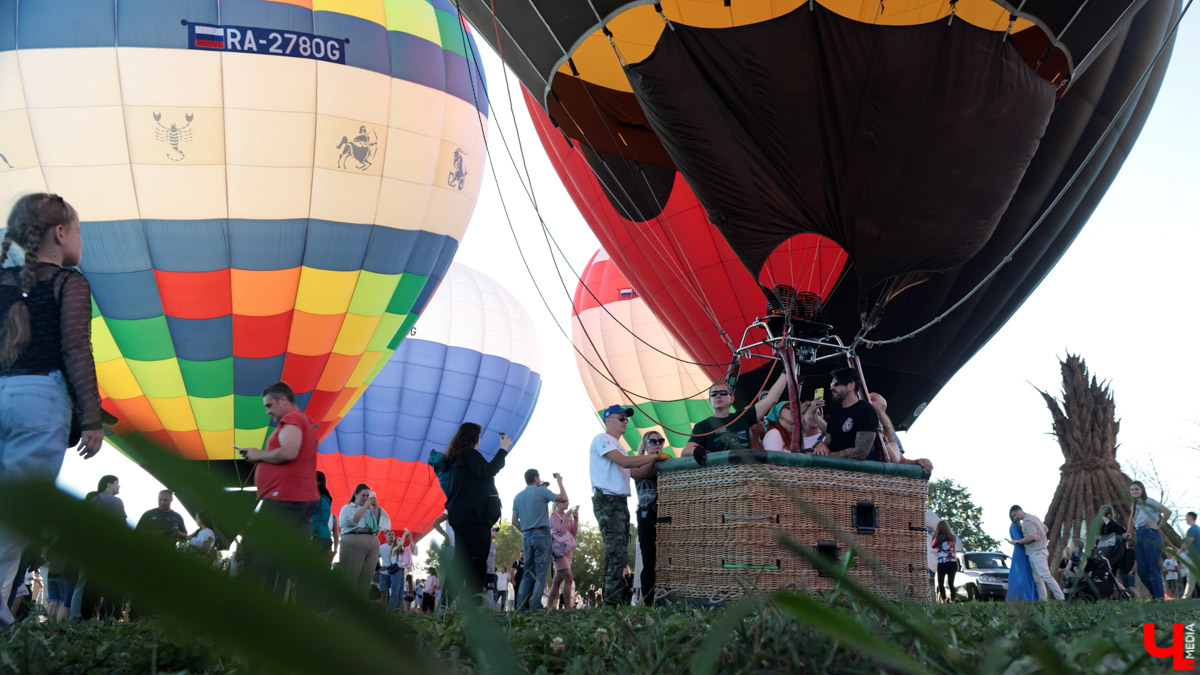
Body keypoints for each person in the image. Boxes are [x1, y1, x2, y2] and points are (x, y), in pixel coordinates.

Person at [0, 194, 104, 629]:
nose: (81, 236)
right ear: (60, 234)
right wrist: (92, 417)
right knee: (14, 517)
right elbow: (76, 348)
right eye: (78, 228)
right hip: (40, 400)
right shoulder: (70, 283)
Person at [234, 381, 320, 595]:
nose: (268, 411)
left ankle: (238, 610)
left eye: (269, 405)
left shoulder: (292, 418)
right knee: (295, 562)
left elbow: (289, 452)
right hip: (299, 500)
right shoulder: (300, 421)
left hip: (284, 499)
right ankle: (311, 612)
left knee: (254, 552)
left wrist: (258, 454)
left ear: (283, 400)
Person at [590, 405, 662, 607]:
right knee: (618, 555)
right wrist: (654, 457)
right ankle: (612, 604)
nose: (625, 422)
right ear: (608, 420)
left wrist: (657, 462)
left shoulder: (620, 446)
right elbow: (624, 462)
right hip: (608, 502)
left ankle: (608, 604)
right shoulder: (602, 440)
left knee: (616, 554)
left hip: (619, 504)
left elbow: (637, 474)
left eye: (626, 419)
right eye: (621, 418)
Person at [445, 423, 511, 602]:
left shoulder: (458, 459)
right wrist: (503, 449)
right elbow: (488, 471)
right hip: (474, 519)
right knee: (476, 564)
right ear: (474, 438)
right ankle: (473, 607)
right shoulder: (469, 456)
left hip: (463, 518)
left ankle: (446, 604)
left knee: (462, 562)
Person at [683, 376, 788, 463]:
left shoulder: (742, 416)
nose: (718, 396)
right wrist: (696, 451)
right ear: (710, 401)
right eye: (713, 394)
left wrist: (786, 372)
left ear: (732, 399)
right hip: (720, 475)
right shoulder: (702, 426)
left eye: (723, 393)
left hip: (744, 473)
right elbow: (685, 451)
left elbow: (771, 399)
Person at [512, 467, 565, 611]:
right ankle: (535, 607)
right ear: (535, 478)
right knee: (541, 573)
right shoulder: (542, 491)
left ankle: (520, 608)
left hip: (527, 536)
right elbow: (564, 498)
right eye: (539, 477)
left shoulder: (518, 496)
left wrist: (525, 530)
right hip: (541, 534)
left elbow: (514, 521)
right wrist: (560, 482)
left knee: (527, 573)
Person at [810, 369, 880, 460]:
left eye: (836, 383)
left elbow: (861, 452)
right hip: (830, 470)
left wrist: (827, 456)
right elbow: (829, 438)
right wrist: (820, 444)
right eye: (831, 384)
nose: (831, 388)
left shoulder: (866, 410)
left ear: (851, 385)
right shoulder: (836, 411)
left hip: (853, 472)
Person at [338, 483, 390, 597]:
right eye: (363, 495)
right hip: (353, 538)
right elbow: (351, 521)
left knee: (366, 579)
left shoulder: (369, 510)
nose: (366, 498)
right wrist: (365, 507)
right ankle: (345, 607)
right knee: (351, 576)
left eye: (368, 496)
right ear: (355, 494)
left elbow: (375, 527)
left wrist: (375, 509)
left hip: (371, 540)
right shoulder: (347, 508)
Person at [867, 393, 934, 473]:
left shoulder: (888, 433)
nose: (867, 399)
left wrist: (917, 462)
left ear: (883, 407)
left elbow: (900, 460)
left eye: (872, 399)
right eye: (866, 397)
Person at [630, 431, 661, 604]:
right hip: (645, 517)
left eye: (660, 441)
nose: (658, 444)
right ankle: (648, 602)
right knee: (648, 560)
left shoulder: (664, 461)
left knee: (666, 559)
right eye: (653, 441)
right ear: (645, 445)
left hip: (665, 517)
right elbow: (637, 474)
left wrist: (658, 460)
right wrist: (654, 460)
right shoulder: (636, 464)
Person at [1006, 506, 1063, 600]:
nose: (1015, 518)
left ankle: (1060, 597)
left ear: (1020, 511)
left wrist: (1016, 542)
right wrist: (1040, 536)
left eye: (1015, 515)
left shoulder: (1026, 522)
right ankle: (1042, 600)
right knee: (1037, 578)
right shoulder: (1034, 517)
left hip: (1037, 552)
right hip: (1037, 551)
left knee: (1045, 576)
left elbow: (1031, 537)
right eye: (1013, 517)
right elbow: (1045, 528)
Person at [1130, 481, 1170, 600]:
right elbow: (1132, 519)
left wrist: (1158, 526)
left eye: (1136, 489)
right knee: (1142, 572)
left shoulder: (1150, 501)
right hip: (1139, 536)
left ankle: (1159, 598)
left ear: (1142, 489)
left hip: (1151, 534)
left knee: (1153, 569)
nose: (1134, 491)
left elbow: (1167, 512)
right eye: (1132, 490)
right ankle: (1156, 596)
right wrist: (1128, 531)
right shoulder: (1134, 504)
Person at [547, 495, 579, 611]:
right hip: (559, 551)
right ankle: (568, 608)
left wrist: (575, 519)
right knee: (569, 578)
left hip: (568, 550)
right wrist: (567, 515)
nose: (567, 503)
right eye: (564, 502)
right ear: (558, 504)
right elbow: (561, 531)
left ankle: (549, 607)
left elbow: (572, 533)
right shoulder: (553, 516)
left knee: (557, 581)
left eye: (567, 501)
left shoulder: (568, 517)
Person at [1005, 516, 1037, 601]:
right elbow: (1019, 541)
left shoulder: (1018, 526)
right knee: (1022, 575)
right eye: (1014, 516)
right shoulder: (1014, 527)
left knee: (1025, 574)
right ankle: (1024, 597)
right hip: (1020, 553)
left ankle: (1028, 596)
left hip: (1024, 552)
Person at [312, 472, 337, 562]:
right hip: (326, 537)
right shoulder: (327, 499)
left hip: (314, 536)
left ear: (318, 482)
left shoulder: (314, 497)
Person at [378, 529, 404, 612]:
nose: (391, 535)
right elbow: (375, 558)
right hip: (384, 574)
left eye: (393, 534)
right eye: (389, 534)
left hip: (395, 574)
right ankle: (383, 613)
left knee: (395, 594)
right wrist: (378, 568)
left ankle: (394, 612)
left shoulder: (398, 546)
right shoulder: (381, 548)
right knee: (384, 595)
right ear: (385, 537)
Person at [931, 521, 957, 602]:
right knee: (951, 583)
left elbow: (933, 545)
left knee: (941, 583)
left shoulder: (938, 537)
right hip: (953, 562)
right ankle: (953, 599)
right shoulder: (953, 537)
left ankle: (944, 600)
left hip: (943, 562)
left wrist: (934, 536)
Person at [1184, 512, 1199, 599]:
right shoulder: (1198, 529)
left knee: (1191, 578)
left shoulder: (1192, 530)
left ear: (1190, 517)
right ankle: (1186, 596)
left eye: (1186, 517)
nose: (1185, 519)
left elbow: (1187, 543)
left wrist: (1176, 555)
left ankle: (1186, 597)